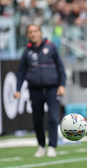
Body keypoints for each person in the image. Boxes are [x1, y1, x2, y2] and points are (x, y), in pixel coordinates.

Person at [13, 24, 66, 158]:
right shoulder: (27, 51)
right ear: (27, 35)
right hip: (35, 90)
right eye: (30, 32)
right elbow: (21, 72)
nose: (33, 34)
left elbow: (60, 67)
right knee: (37, 120)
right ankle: (41, 145)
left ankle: (52, 146)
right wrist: (18, 89)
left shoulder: (51, 47)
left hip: (52, 89)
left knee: (53, 118)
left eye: (35, 31)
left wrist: (62, 85)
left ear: (40, 33)